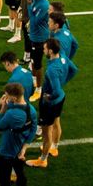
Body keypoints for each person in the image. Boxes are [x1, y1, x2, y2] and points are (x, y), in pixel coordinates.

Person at [27, 40, 78, 168]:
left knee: (46, 132)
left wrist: (49, 97)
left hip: (50, 104)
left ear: (50, 51)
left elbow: (56, 91)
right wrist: (62, 83)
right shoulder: (63, 57)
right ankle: (55, 147)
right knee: (57, 122)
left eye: (44, 48)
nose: (43, 50)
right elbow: (74, 70)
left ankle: (43, 159)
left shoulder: (52, 70)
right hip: (61, 99)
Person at [23, 0, 51, 81]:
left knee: (37, 64)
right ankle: (34, 80)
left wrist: (29, 5)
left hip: (40, 39)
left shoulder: (43, 5)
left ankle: (38, 88)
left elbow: (35, 21)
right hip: (34, 36)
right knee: (33, 61)